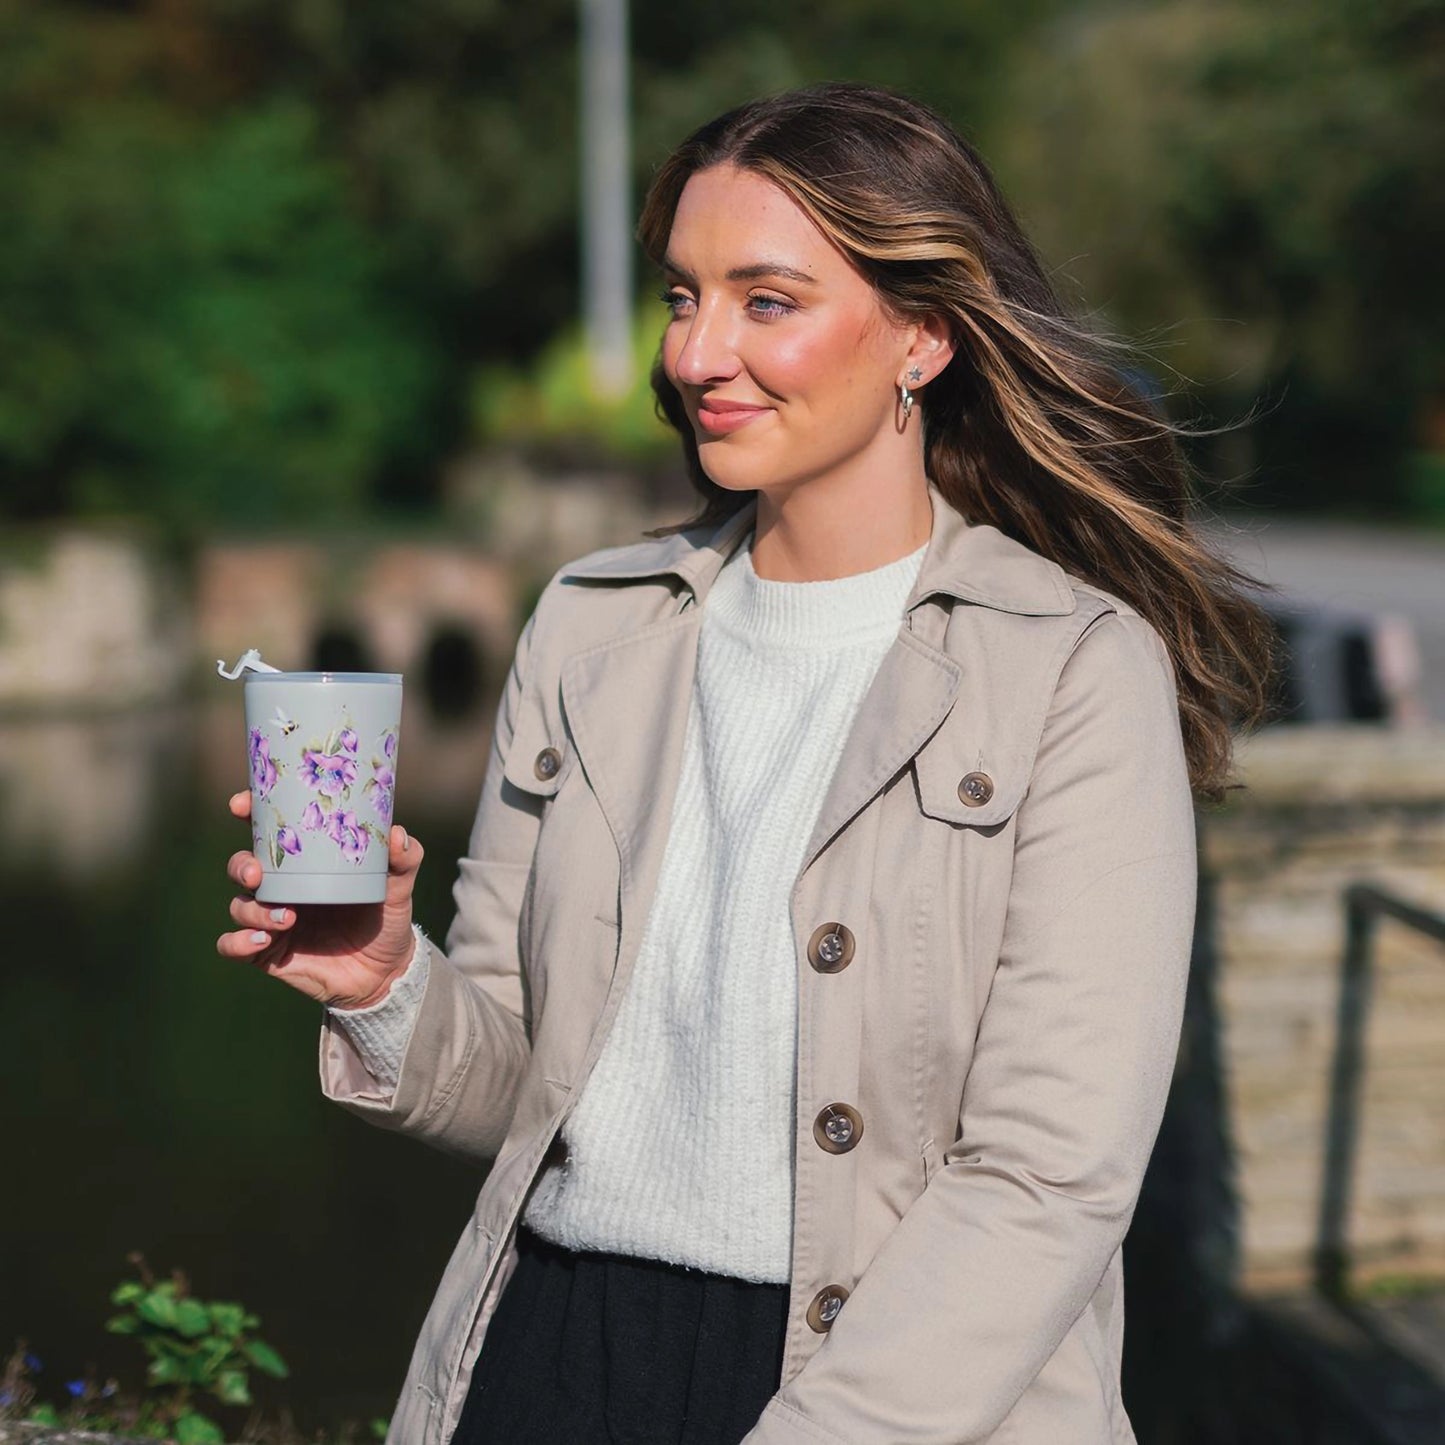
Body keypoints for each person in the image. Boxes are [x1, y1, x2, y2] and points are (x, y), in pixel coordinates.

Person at [217, 83, 1274, 1444]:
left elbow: (1046, 1178)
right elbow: (526, 1088)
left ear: (921, 336)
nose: (696, 353)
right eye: (680, 297)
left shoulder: (1071, 669)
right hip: (550, 1355)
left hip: (893, 1396)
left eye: (764, 301)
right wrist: (381, 981)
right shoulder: (590, 624)